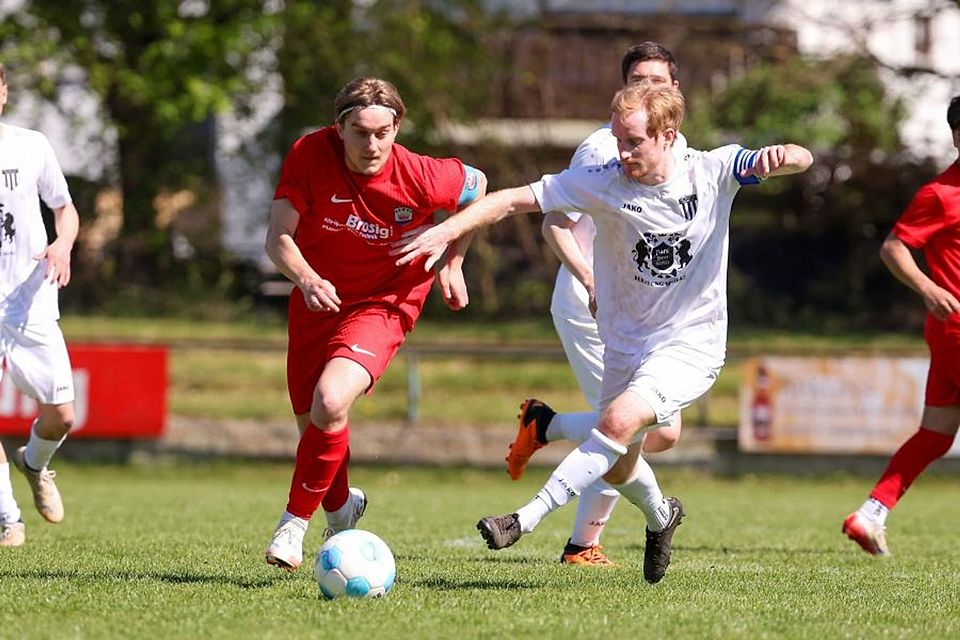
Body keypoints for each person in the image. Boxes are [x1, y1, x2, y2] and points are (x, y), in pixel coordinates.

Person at [397, 83, 812, 583]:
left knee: (616, 422)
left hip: (690, 344)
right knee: (616, 465)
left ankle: (523, 520)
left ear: (668, 135)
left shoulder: (713, 169)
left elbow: (802, 158)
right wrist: (445, 232)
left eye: (634, 141)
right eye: (618, 139)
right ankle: (662, 517)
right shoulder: (603, 181)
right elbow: (510, 201)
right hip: (624, 342)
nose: (622, 152)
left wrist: (784, 155)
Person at [263, 77, 486, 571]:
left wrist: (452, 256)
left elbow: (479, 188)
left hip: (386, 301)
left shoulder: (423, 175)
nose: (373, 145)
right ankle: (342, 508)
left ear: (397, 126)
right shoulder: (308, 154)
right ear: (338, 128)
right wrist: (306, 278)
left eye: (383, 132)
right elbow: (278, 236)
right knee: (317, 425)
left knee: (330, 399)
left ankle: (292, 526)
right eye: (360, 132)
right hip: (318, 299)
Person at [519, 42, 687, 567]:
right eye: (640, 79)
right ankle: (582, 545)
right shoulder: (604, 149)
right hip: (590, 305)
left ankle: (544, 426)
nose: (651, 87)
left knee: (660, 432)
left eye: (659, 79)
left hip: (640, 312)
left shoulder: (677, 149)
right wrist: (591, 279)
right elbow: (554, 224)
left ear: (675, 89)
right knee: (628, 429)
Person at [842, 95, 960, 557]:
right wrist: (929, 290)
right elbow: (894, 247)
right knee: (935, 433)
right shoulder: (941, 194)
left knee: (935, 434)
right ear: (956, 137)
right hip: (955, 325)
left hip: (949, 332)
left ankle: (870, 514)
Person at [0, 62, 81, 548]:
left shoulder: (30, 144)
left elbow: (64, 208)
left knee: (63, 416)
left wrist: (63, 244)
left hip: (29, 299)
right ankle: (8, 518)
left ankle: (35, 463)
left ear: (4, 92)